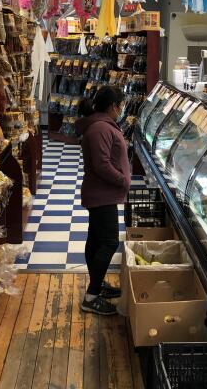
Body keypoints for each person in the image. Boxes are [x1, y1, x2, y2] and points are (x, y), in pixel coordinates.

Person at [75, 85, 131, 315]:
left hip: (102, 193)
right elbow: (101, 164)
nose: (121, 110)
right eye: (120, 105)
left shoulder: (101, 125)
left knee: (97, 241)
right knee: (108, 242)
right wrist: (122, 181)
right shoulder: (100, 128)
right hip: (102, 195)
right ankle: (91, 296)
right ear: (112, 106)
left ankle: (97, 285)